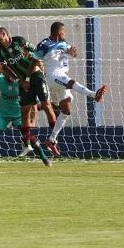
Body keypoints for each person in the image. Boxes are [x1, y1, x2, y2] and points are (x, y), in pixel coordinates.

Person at [35, 22, 108, 154]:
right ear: (58, 32)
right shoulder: (44, 44)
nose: (65, 33)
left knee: (66, 111)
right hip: (52, 75)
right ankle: (94, 95)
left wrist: (72, 51)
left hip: (61, 75)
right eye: (64, 31)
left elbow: (71, 52)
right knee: (71, 82)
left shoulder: (63, 43)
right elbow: (34, 58)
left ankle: (51, 139)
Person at [0, 27, 55, 162]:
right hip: (23, 82)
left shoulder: (19, 41)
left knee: (46, 104)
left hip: (35, 75)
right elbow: (3, 68)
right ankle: (26, 143)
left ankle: (54, 137)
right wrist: (17, 79)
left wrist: (41, 68)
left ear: (5, 34)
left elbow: (37, 54)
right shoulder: (0, 52)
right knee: (25, 110)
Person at [0, 72, 50, 167]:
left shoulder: (21, 83)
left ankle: (44, 158)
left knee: (27, 134)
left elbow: (32, 102)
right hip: (3, 114)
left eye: (14, 75)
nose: (12, 77)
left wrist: (32, 118)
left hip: (19, 114)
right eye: (9, 75)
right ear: (5, 74)